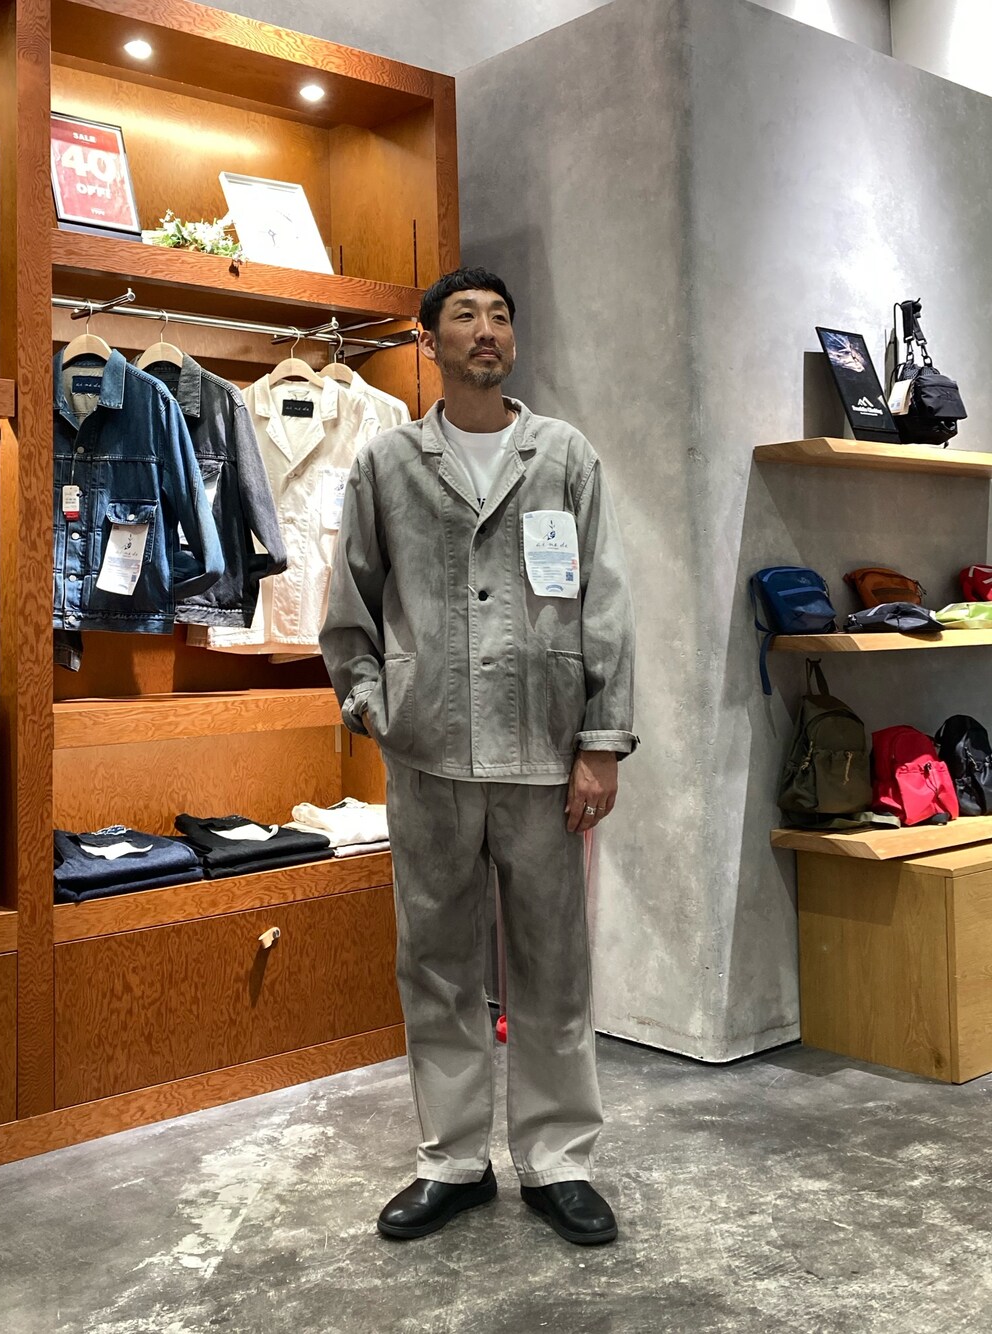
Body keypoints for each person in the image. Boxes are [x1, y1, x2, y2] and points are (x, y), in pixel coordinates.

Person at [320, 266, 637, 1247]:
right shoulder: (387, 464)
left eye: (500, 315)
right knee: (437, 963)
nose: (487, 329)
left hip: (544, 754)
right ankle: (453, 1159)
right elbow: (350, 603)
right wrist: (374, 704)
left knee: (553, 965)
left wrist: (601, 742)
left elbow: (605, 603)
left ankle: (558, 1159)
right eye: (464, 315)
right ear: (429, 340)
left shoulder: (564, 457)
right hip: (430, 757)